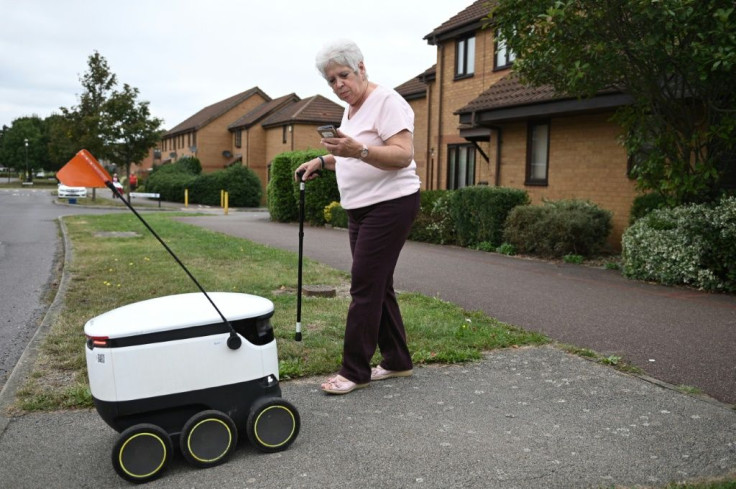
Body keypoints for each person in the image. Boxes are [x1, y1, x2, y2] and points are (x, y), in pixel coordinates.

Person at [295, 39, 421, 395]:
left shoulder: (387, 102)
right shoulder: (350, 109)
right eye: (331, 81)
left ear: (362, 68)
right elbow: (353, 152)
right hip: (361, 208)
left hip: (390, 204)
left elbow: (401, 155)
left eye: (343, 76)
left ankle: (354, 370)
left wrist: (359, 150)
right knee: (378, 284)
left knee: (364, 284)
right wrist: (324, 160)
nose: (338, 86)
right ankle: (397, 361)